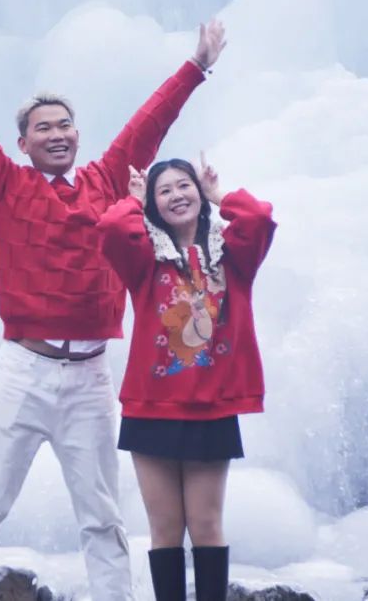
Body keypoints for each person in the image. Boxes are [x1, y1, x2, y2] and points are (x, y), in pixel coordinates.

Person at [0, 6, 226, 601]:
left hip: (89, 378)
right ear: (23, 143)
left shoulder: (107, 180)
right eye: (43, 128)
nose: (57, 134)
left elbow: (149, 123)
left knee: (101, 516)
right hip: (23, 372)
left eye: (65, 125)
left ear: (77, 135)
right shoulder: (5, 184)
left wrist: (197, 66)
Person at [95, 156, 276, 601]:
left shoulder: (233, 256)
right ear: (153, 204)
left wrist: (219, 194)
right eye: (164, 190)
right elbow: (112, 228)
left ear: (199, 192)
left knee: (207, 524)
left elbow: (258, 217)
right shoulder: (145, 260)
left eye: (184, 185)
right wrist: (134, 200)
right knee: (165, 529)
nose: (176, 195)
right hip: (150, 407)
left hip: (212, 408)